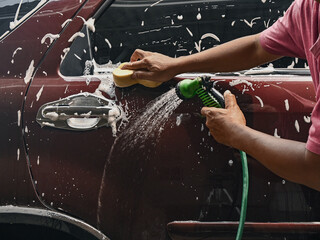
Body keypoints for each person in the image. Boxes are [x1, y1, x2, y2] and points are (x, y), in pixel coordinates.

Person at [123, 0, 320, 191]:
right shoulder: (309, 8)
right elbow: (257, 47)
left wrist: (237, 135)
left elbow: (315, 170)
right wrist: (176, 65)